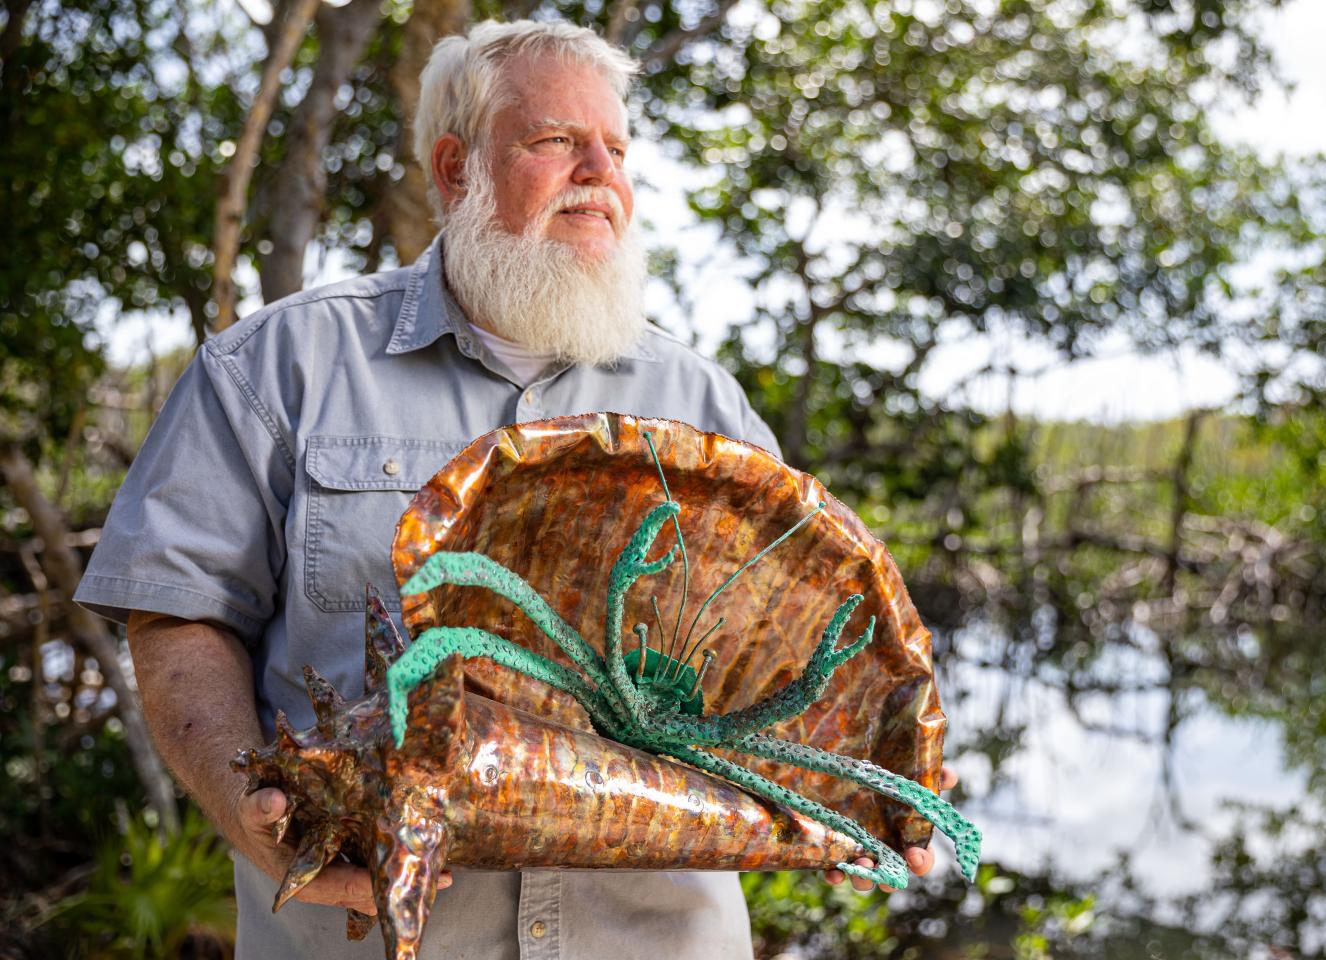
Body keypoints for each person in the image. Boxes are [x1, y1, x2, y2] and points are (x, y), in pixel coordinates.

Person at [75, 19, 948, 959]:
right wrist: (241, 801)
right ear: (457, 170)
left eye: (616, 149)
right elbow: (178, 616)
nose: (599, 172)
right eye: (556, 142)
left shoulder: (703, 405)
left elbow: (802, 656)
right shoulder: (279, 366)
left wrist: (872, 782)